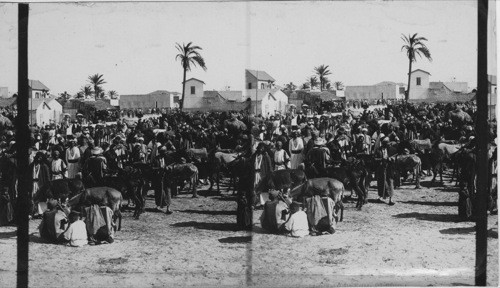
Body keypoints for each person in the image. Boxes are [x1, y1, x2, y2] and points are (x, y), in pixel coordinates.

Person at [152, 146, 173, 214]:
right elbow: (152, 167)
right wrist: (158, 168)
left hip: (167, 177)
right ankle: (158, 205)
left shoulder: (169, 158)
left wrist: (168, 168)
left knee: (167, 191)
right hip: (158, 177)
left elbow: (172, 167)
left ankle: (168, 208)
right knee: (158, 191)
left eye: (164, 152)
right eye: (162, 152)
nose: (163, 153)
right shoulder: (156, 159)